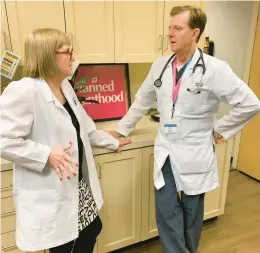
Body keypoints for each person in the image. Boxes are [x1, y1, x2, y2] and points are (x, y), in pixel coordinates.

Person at [107, 5, 260, 253]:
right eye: (169, 28)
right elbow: (143, 99)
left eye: (177, 28)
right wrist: (122, 129)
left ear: (194, 33)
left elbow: (251, 104)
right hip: (166, 147)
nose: (170, 33)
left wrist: (220, 128)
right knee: (166, 209)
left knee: (191, 212)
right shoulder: (160, 65)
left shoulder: (214, 69)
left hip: (194, 150)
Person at [0, 28, 131, 253]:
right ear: (47, 55)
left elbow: (86, 129)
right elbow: (4, 140)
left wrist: (113, 142)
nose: (73, 56)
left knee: (91, 230)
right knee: (64, 247)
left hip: (77, 187)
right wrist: (46, 154)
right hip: (51, 192)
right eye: (67, 51)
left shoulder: (65, 86)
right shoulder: (24, 91)